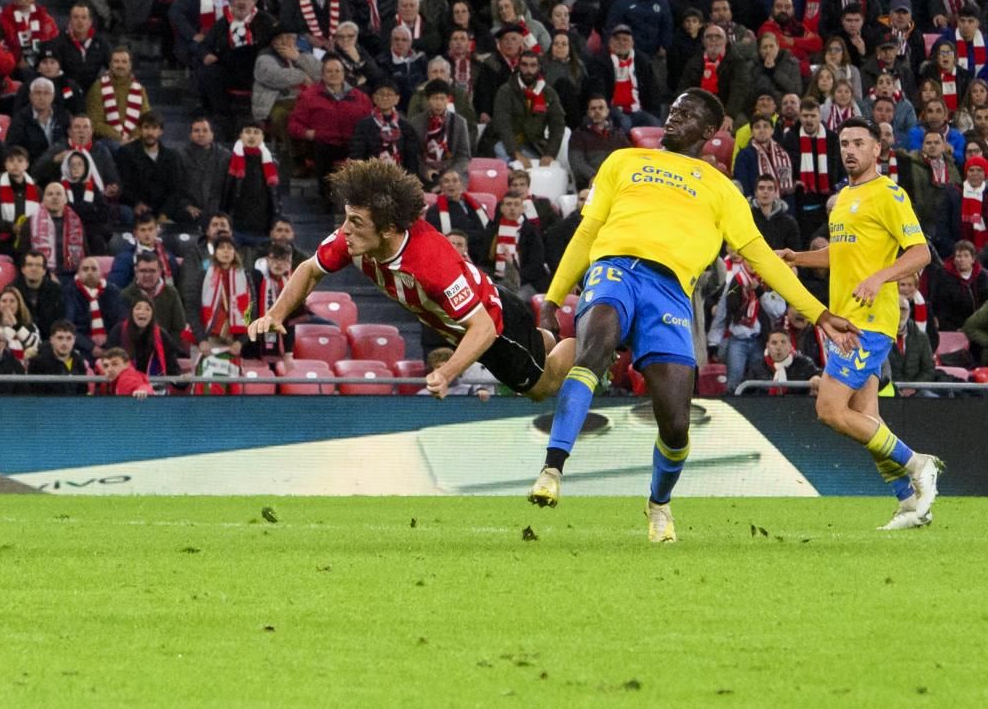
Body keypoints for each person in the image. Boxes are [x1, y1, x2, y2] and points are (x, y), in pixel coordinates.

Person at [532, 89, 862, 542]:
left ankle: (659, 504)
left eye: (685, 114)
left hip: (669, 292)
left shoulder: (722, 189)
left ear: (709, 132)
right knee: (594, 349)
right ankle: (553, 468)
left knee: (676, 423)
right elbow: (588, 231)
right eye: (672, 110)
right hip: (614, 270)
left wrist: (820, 314)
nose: (673, 117)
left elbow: (763, 259)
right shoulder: (623, 161)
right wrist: (552, 300)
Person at [251, 159, 573, 403]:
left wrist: (447, 373)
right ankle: (542, 339)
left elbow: (484, 328)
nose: (344, 229)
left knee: (539, 390)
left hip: (497, 325)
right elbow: (309, 269)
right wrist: (275, 315)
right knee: (535, 350)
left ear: (389, 228)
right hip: (462, 321)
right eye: (347, 217)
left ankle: (585, 342)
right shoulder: (356, 238)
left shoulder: (429, 263)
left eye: (356, 222)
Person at [775, 117, 943, 530]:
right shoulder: (845, 197)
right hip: (844, 321)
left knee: (830, 409)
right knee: (865, 419)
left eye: (858, 143)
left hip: (871, 321)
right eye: (844, 143)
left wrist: (879, 277)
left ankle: (919, 465)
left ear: (876, 151)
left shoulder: (889, 193)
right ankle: (907, 503)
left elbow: (920, 252)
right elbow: (842, 255)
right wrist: (799, 257)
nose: (849, 150)